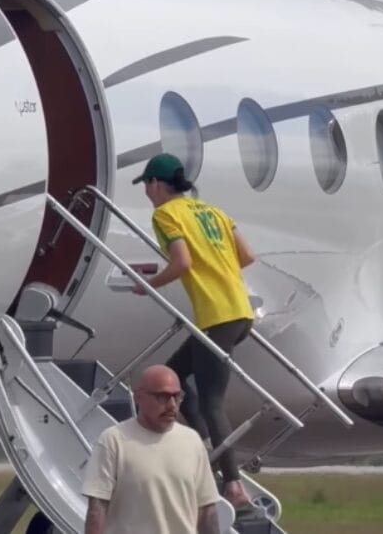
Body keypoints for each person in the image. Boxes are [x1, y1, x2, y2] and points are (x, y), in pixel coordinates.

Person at [129, 153, 257, 509]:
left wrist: (150, 285)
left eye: (147, 187)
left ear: (156, 184)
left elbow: (182, 262)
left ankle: (233, 485)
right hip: (240, 312)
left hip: (217, 315)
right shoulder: (212, 211)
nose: (147, 194)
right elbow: (247, 256)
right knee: (172, 376)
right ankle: (203, 445)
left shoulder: (166, 214)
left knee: (213, 400)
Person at [82, 365, 220, 534]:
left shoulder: (192, 441)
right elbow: (97, 510)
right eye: (162, 397)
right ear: (138, 397)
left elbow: (207, 510)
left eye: (177, 397)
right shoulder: (113, 440)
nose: (172, 406)